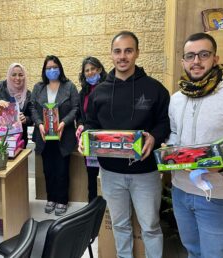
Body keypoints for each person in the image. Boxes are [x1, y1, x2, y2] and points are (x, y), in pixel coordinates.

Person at [79, 31, 170, 258]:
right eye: (118, 51)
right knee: (119, 225)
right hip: (110, 173)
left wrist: (154, 137)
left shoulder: (155, 89)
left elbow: (164, 123)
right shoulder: (99, 92)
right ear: (111, 55)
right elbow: (90, 123)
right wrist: (85, 137)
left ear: (137, 53)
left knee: (150, 226)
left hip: (146, 172)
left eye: (128, 50)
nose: (123, 56)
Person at [167, 32, 223, 258]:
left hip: (217, 195)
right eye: (190, 56)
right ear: (183, 61)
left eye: (203, 55)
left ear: (215, 59)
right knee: (192, 251)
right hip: (181, 191)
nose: (196, 61)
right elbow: (175, 134)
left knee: (217, 255)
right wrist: (169, 152)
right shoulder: (176, 99)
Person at [30, 55, 80, 216]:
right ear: (44, 70)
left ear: (60, 68)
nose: (52, 70)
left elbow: (76, 108)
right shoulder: (38, 87)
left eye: (55, 67)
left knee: (62, 169)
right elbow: (32, 108)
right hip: (44, 135)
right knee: (48, 169)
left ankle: (62, 200)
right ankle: (51, 198)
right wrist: (39, 124)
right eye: (48, 68)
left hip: (63, 135)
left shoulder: (69, 86)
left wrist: (64, 122)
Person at [76, 56, 107, 202]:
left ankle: (108, 205)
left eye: (93, 69)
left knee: (107, 173)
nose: (90, 73)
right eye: (86, 70)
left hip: (106, 138)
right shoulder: (83, 92)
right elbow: (81, 114)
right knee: (91, 173)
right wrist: (81, 124)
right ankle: (92, 203)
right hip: (89, 138)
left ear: (99, 69)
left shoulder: (108, 87)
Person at [0, 63, 32, 148]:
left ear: (24, 77)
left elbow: (32, 117)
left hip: (18, 141)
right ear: (8, 75)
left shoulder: (27, 94)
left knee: (19, 161)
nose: (17, 78)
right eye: (13, 75)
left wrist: (25, 119)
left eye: (21, 75)